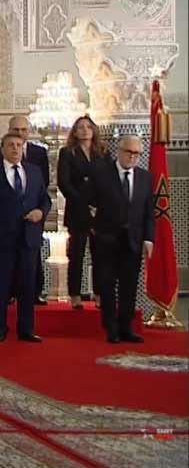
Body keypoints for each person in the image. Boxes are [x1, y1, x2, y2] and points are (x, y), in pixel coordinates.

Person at [0, 132, 51, 343]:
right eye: (11, 145)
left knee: (27, 285)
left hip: (29, 237)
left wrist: (40, 212)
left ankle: (26, 329)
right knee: (1, 285)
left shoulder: (34, 172)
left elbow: (45, 200)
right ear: (3, 149)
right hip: (2, 237)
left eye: (18, 145)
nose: (15, 148)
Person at [88, 135, 153, 344]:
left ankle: (126, 328)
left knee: (129, 286)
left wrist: (149, 238)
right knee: (107, 286)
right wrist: (95, 228)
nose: (133, 157)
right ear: (119, 151)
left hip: (133, 241)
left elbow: (148, 212)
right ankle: (111, 328)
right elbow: (88, 203)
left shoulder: (145, 177)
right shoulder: (101, 174)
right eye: (129, 152)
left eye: (137, 153)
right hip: (107, 240)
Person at [0, 115, 50, 305]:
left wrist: (39, 211)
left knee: (32, 262)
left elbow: (43, 188)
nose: (20, 134)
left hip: (31, 221)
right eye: (16, 130)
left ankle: (34, 295)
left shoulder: (38, 156)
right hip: (5, 224)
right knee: (6, 265)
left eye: (23, 130)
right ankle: (9, 295)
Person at [57, 116, 108, 309]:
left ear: (94, 130)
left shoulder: (102, 152)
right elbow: (64, 183)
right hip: (78, 211)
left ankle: (100, 293)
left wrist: (98, 205)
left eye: (88, 127)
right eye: (80, 127)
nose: (85, 130)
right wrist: (84, 204)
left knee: (100, 255)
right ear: (75, 132)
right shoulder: (67, 153)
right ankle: (75, 295)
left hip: (99, 212)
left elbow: (109, 180)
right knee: (77, 255)